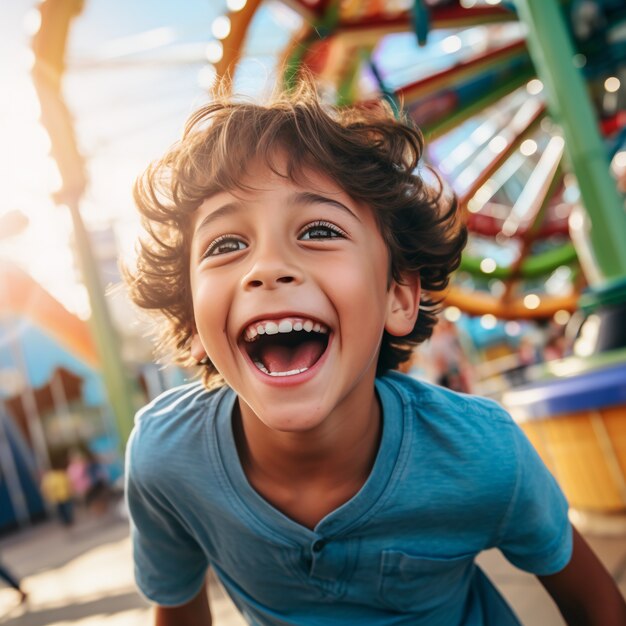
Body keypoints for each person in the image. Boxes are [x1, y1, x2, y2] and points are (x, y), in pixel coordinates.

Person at [124, 79, 626, 625]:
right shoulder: (164, 460)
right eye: (226, 245)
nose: (265, 267)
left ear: (398, 296)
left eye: (318, 230)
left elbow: (596, 605)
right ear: (192, 322)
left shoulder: (482, 454)